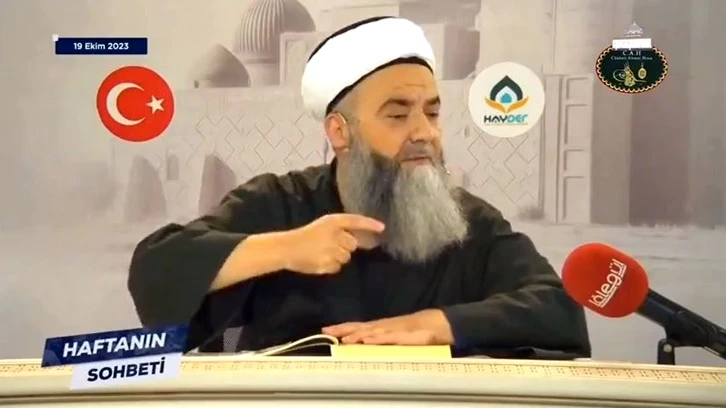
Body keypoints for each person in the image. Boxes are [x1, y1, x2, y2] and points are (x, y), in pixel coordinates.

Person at [128, 16, 591, 358]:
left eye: (432, 112)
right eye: (398, 114)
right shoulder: (279, 205)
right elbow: (155, 270)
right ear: (339, 131)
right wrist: (286, 249)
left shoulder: (470, 223)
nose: (425, 132)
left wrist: (439, 325)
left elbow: (557, 311)